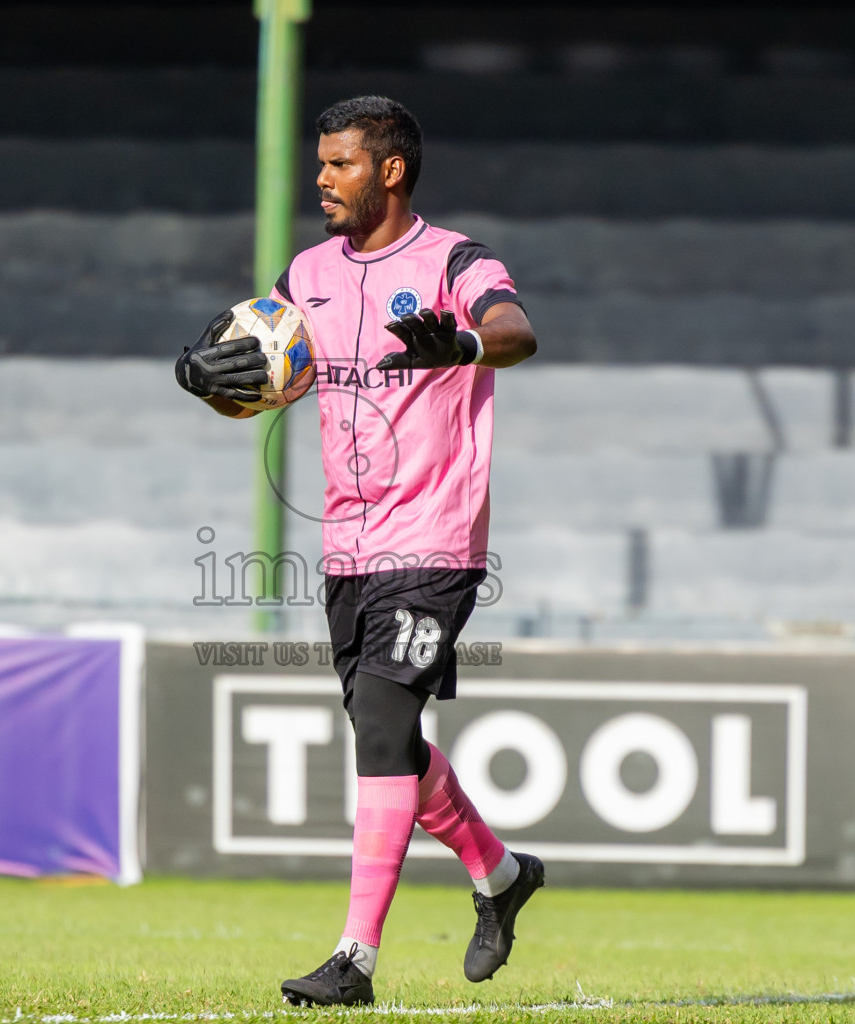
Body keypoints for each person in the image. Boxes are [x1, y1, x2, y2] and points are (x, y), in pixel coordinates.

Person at [174, 95, 542, 1008]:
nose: (322, 178)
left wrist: (460, 340)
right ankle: (499, 874)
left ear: (390, 170)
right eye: (321, 162)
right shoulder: (306, 273)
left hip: (436, 537)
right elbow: (257, 368)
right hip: (346, 545)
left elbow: (516, 332)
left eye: (339, 164)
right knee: (394, 745)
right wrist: (201, 375)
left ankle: (355, 959)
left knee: (379, 725)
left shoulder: (457, 259)